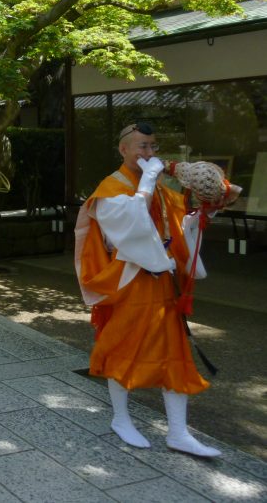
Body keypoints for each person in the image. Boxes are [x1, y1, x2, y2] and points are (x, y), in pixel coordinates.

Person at [74, 122, 225, 458]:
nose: (149, 153)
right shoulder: (111, 187)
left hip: (163, 284)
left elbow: (179, 220)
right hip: (130, 284)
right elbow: (126, 222)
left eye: (153, 146)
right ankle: (120, 418)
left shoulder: (158, 187)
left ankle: (178, 431)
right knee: (122, 349)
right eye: (142, 146)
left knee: (175, 355)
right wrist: (146, 182)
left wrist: (203, 209)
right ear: (123, 149)